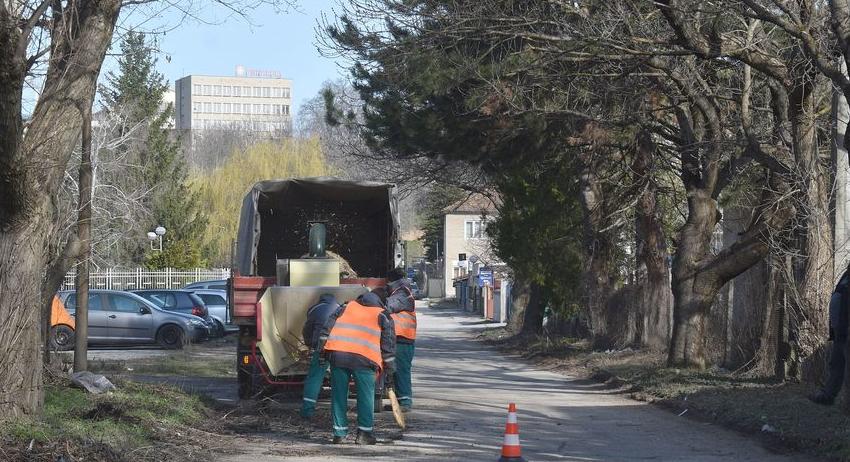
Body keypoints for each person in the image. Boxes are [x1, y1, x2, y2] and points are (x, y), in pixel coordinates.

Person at [317, 292, 395, 445]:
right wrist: (390, 372)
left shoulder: (346, 307)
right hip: (366, 359)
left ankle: (339, 434)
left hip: (338, 355)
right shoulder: (383, 314)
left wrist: (322, 354)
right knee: (365, 396)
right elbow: (388, 347)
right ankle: (364, 434)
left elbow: (326, 329)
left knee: (338, 395)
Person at [811, 266, 850, 405]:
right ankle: (828, 396)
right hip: (841, 329)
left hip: (845, 328)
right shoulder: (846, 276)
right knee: (837, 362)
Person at [300, 294, 340, 418]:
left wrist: (309, 344)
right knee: (339, 380)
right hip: (339, 349)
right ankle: (338, 414)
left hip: (321, 349)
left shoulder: (315, 309)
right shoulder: (341, 308)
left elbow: (307, 329)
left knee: (315, 378)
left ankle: (307, 411)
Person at [385, 268, 416, 411]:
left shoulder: (403, 292)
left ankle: (405, 403)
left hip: (403, 338)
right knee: (396, 371)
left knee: (401, 370)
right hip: (399, 337)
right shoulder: (401, 291)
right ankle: (399, 402)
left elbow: (389, 306)